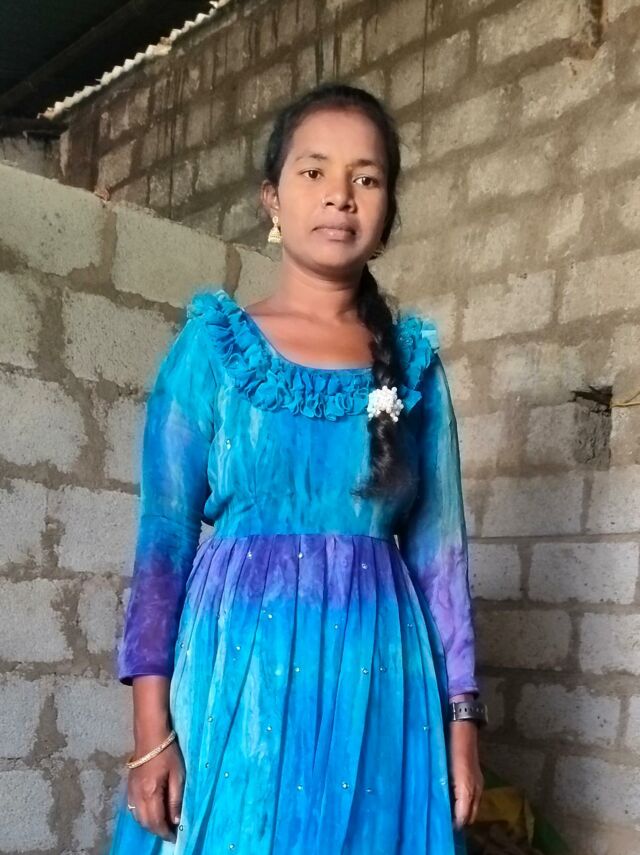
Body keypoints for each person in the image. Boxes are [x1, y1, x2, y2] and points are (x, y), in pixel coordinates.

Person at [107, 81, 487, 855]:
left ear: (387, 212)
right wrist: (150, 733)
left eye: (366, 178)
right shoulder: (214, 350)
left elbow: (442, 560)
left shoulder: (413, 367)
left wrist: (463, 724)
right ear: (271, 198)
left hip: (378, 686)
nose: (340, 195)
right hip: (237, 684)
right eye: (314, 171)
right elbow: (162, 546)